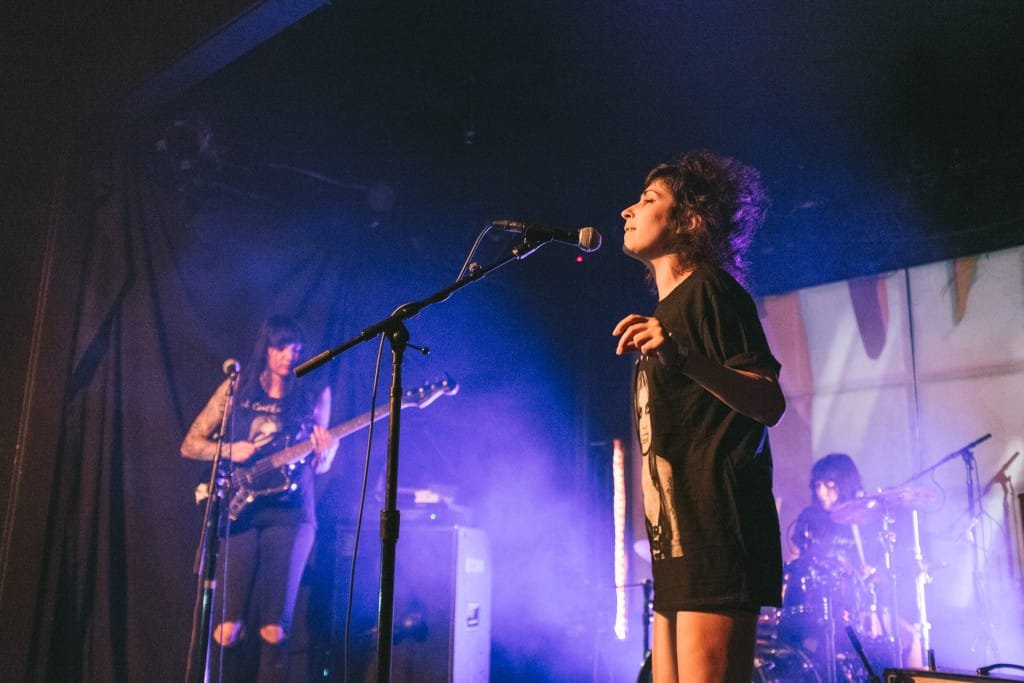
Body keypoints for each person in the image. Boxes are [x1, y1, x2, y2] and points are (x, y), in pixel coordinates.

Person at [612, 150, 786, 683]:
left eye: (648, 200)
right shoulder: (663, 313)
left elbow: (768, 401)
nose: (627, 210)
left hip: (717, 535)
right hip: (677, 542)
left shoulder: (711, 289)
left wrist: (683, 356)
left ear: (688, 220)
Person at [181, 315, 338, 682]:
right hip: (241, 512)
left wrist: (327, 451)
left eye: (295, 350)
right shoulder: (238, 388)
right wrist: (229, 448)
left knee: (274, 628)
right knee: (227, 628)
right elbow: (190, 445)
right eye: (281, 348)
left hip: (291, 515)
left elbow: (321, 465)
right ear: (266, 349)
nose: (288, 356)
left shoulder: (313, 394)